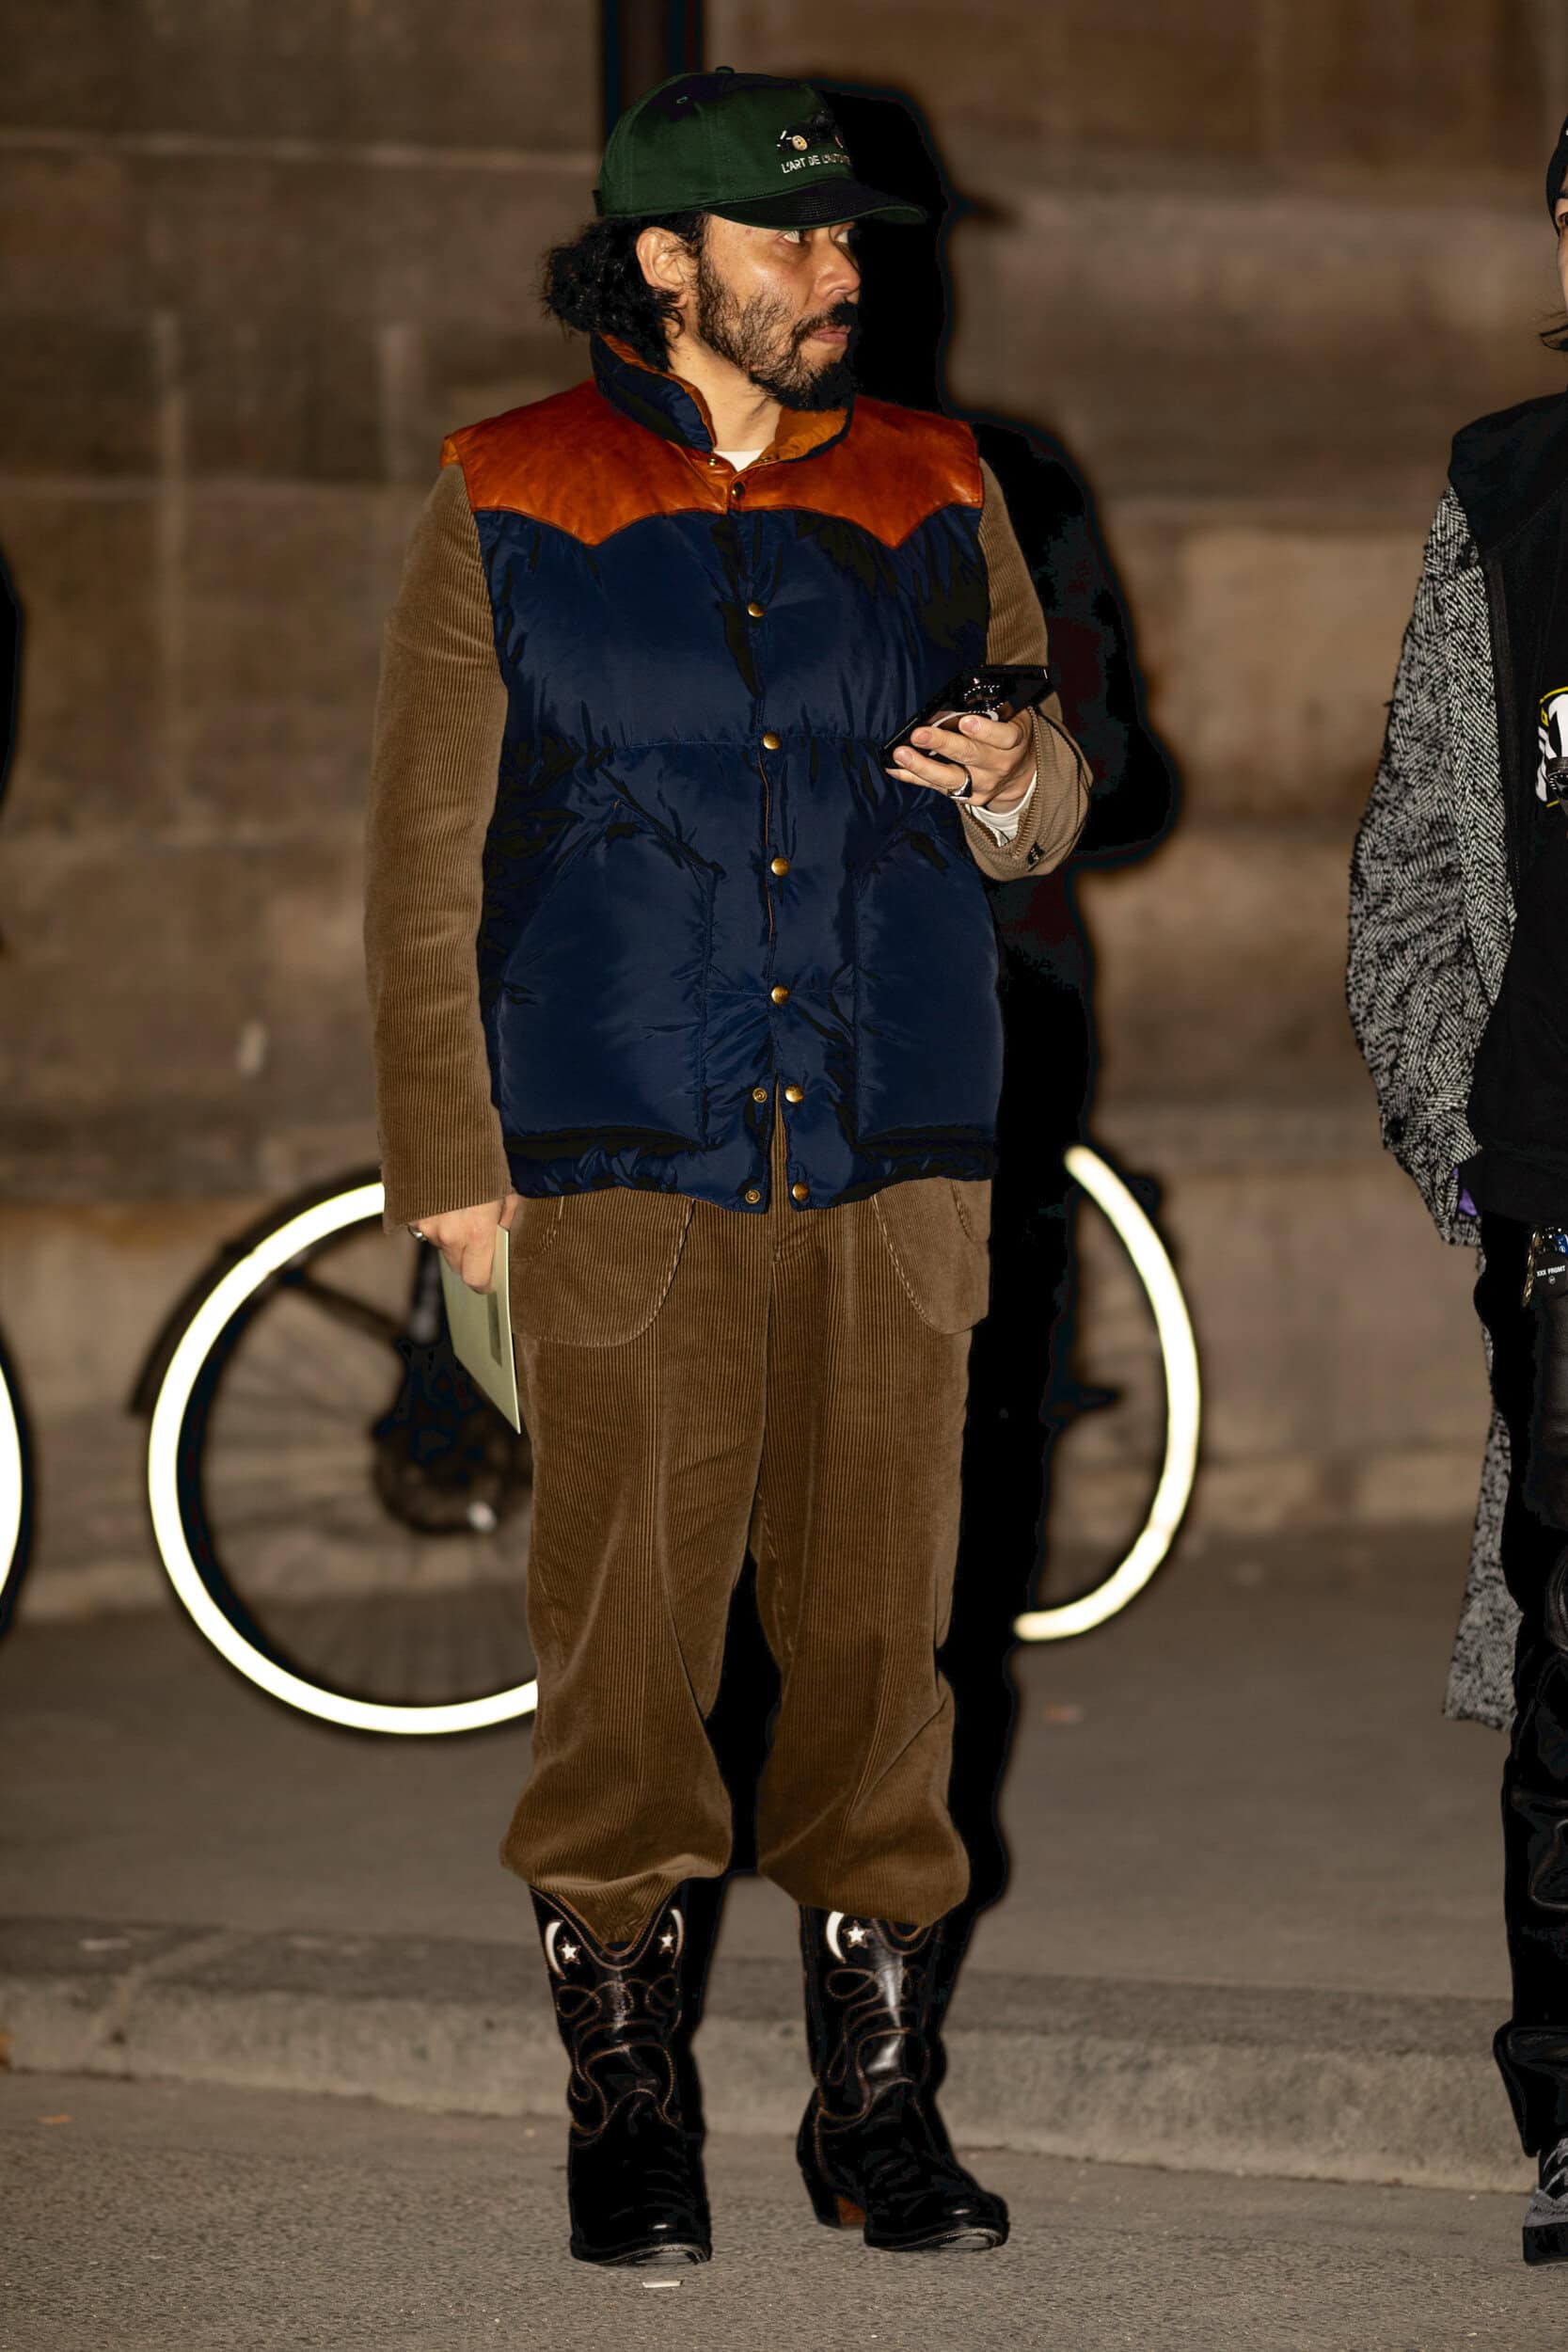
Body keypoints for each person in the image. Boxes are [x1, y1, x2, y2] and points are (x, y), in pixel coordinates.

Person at [362, 65, 1090, 2270]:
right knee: (627, 1649)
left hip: (895, 1143)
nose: (838, 270)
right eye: (794, 237)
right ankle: (630, 2107)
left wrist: (1016, 770)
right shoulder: (508, 485)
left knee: (882, 1649)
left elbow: (1053, 798)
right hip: (622, 1153)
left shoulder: (940, 477)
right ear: (663, 260)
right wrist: (447, 1159)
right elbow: (419, 855)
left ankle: (873, 2108)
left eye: (850, 237)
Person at [1349, 111, 1568, 2270]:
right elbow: (1415, 846)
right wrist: (1469, 1132)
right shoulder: (1509, 490)